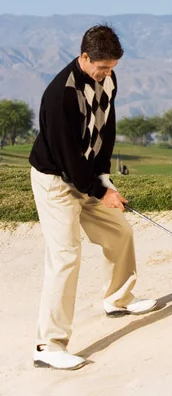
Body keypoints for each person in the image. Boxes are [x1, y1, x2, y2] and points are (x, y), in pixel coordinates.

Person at [29, 24, 157, 370]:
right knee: (66, 255)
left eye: (112, 68)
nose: (106, 74)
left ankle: (118, 299)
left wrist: (104, 178)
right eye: (102, 67)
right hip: (56, 182)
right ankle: (48, 344)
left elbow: (106, 128)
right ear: (84, 57)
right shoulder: (60, 95)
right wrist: (100, 191)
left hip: (85, 175)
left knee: (120, 232)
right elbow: (68, 157)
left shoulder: (108, 80)